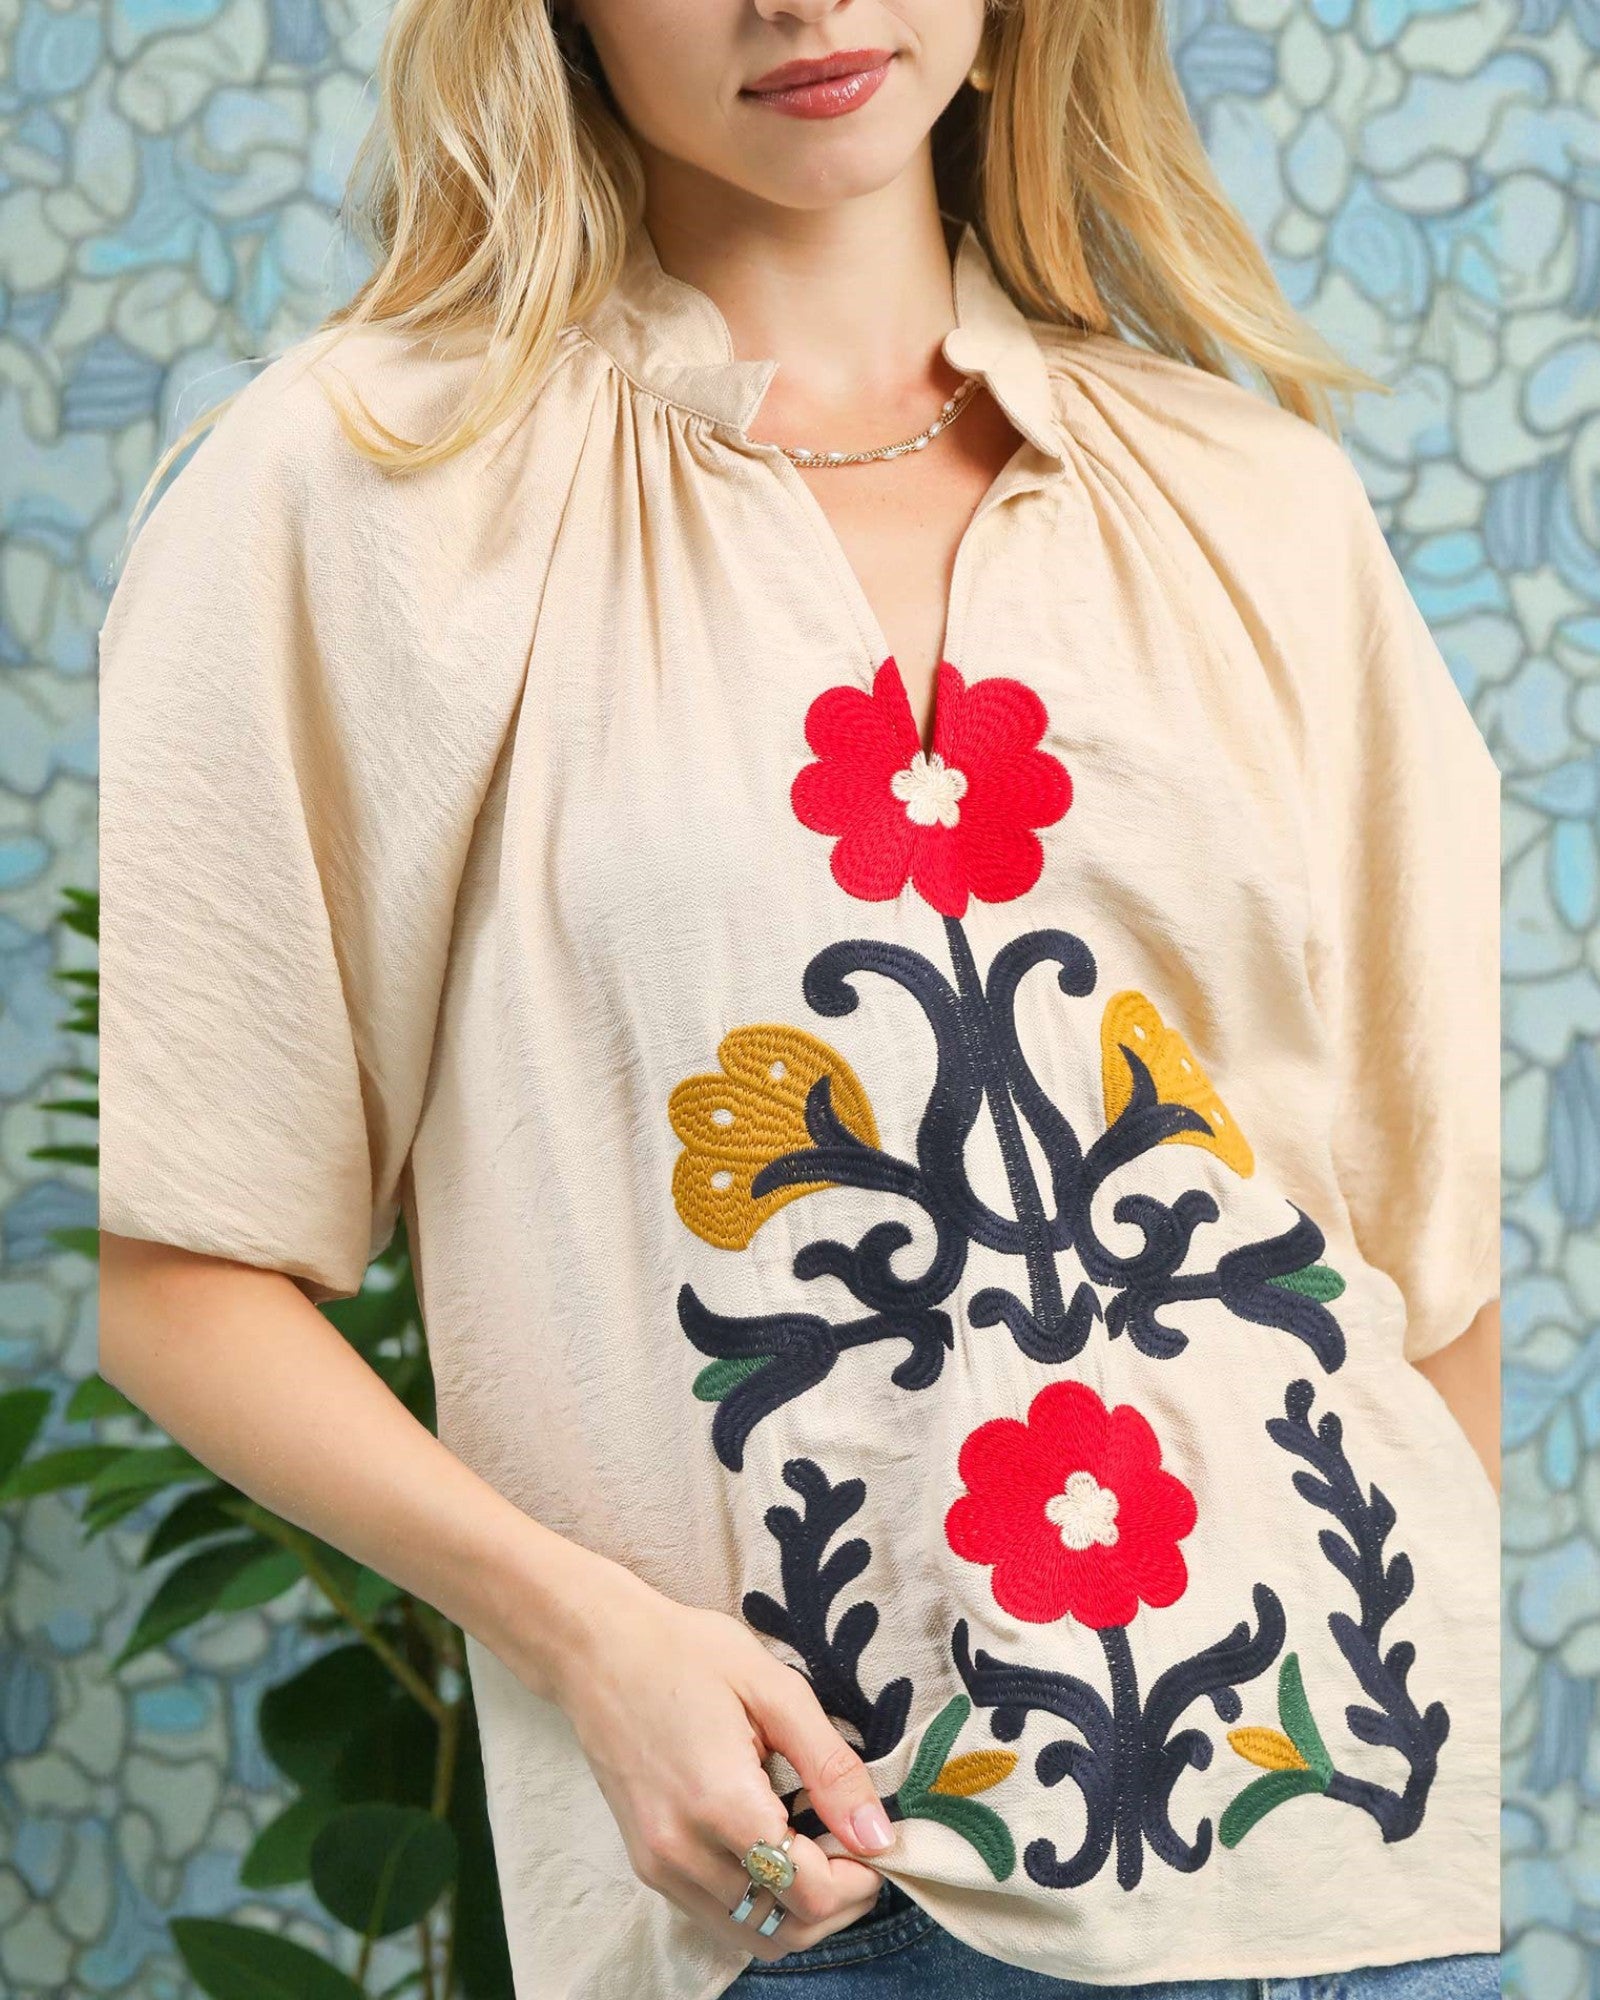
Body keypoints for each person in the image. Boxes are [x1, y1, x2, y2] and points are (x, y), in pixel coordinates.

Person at [95, 2, 1503, 1997]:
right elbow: (177, 1272)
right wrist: (592, 1635)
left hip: (1368, 1870)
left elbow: (1428, 1268)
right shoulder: (368, 491)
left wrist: (1417, 1754)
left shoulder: (1251, 500)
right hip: (828, 1891)